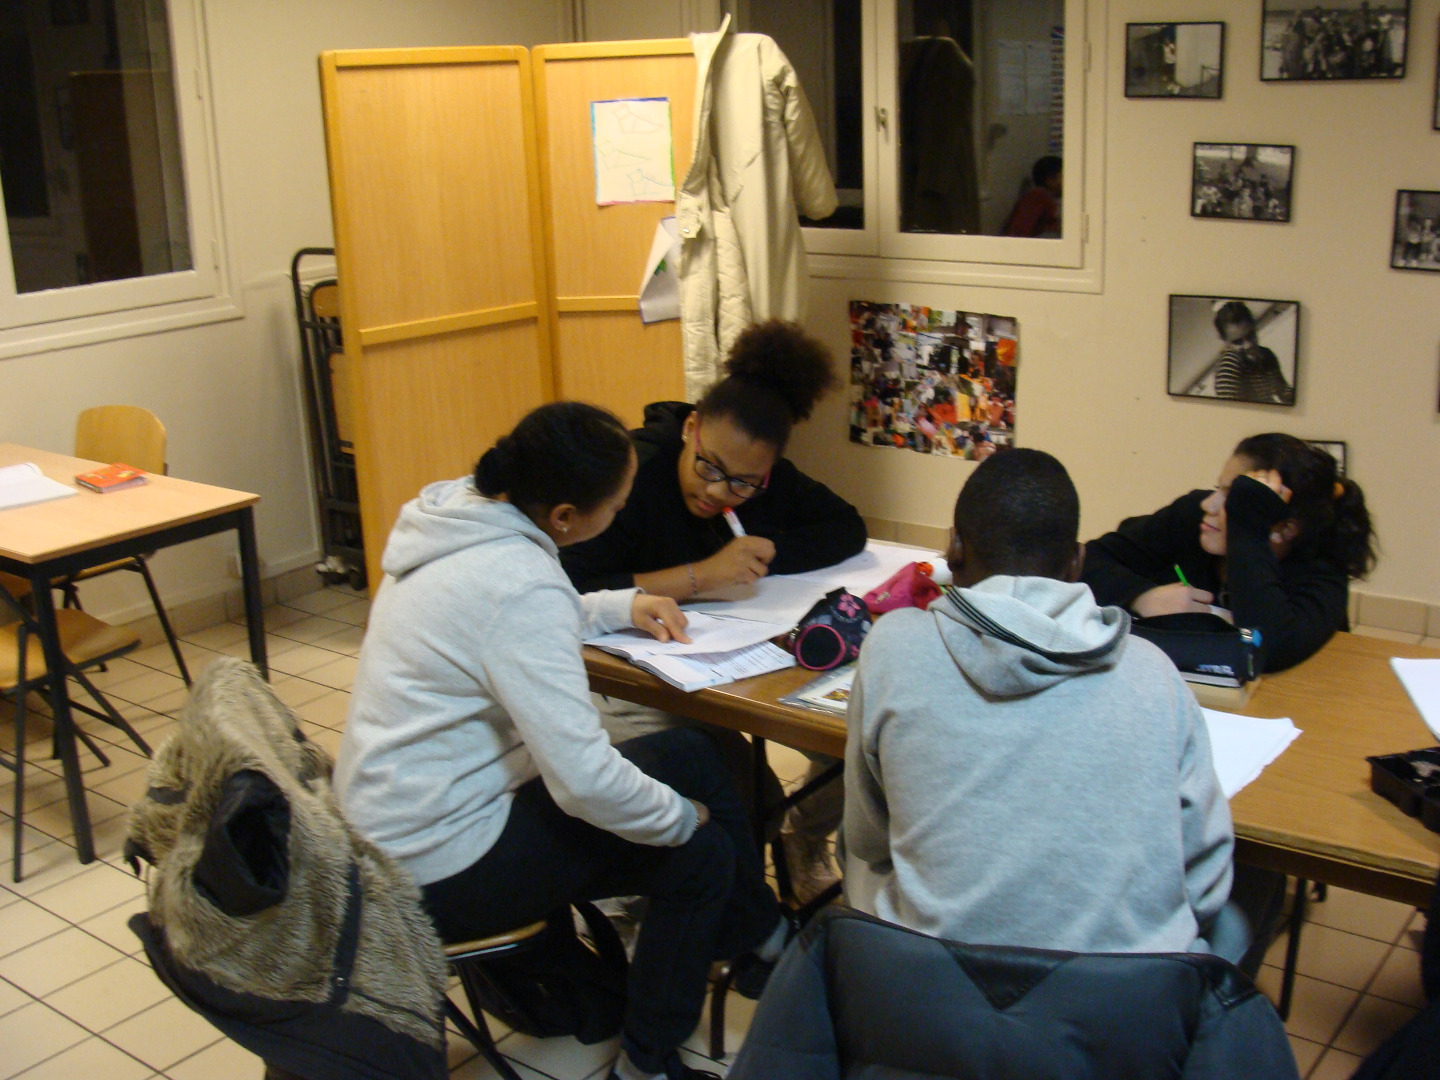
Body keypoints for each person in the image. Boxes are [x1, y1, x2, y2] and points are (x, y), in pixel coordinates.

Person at [334, 402, 787, 1080]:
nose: (625, 512)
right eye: (618, 504)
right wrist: (675, 819)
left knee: (689, 754)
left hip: (388, 821)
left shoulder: (458, 517)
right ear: (566, 518)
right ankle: (648, 1062)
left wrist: (614, 606)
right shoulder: (517, 583)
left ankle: (761, 937)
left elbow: (511, 615)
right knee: (700, 854)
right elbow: (583, 782)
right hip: (435, 866)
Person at [842, 449, 1238, 957]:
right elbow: (1205, 881)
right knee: (1233, 930)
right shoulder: (1153, 673)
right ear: (1076, 563)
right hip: (1124, 1011)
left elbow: (868, 837)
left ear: (954, 549)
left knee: (857, 859)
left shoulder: (892, 648)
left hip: (932, 1001)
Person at [563, 320, 867, 903]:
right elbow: (570, 587)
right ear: (691, 428)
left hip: (734, 656)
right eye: (709, 467)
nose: (719, 492)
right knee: (745, 789)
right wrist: (700, 578)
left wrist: (761, 557)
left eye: (744, 484)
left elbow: (845, 527)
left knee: (854, 745)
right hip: (625, 670)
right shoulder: (629, 473)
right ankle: (659, 907)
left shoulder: (757, 474)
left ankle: (804, 844)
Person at [1081, 433, 1376, 674]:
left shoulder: (1322, 570)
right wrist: (1141, 595)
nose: (1209, 505)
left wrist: (1249, 530)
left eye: (1231, 500)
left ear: (1285, 529)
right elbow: (1088, 559)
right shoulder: (1192, 518)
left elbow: (1269, 649)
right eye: (1218, 489)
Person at [1209, 301, 1294, 405]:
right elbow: (1231, 414)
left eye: (1250, 335)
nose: (1248, 345)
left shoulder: (1267, 355)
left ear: (1254, 326)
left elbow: (1284, 391)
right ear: (1225, 341)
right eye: (1238, 342)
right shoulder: (1229, 366)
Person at [1002, 155, 1063, 238]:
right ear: (1050, 180)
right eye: (1063, 176)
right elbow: (1018, 232)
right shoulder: (1037, 196)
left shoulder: (1054, 197)